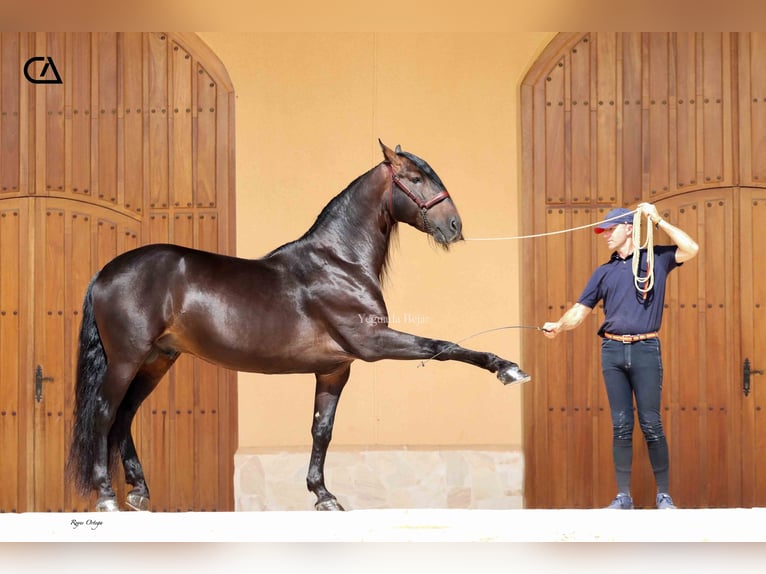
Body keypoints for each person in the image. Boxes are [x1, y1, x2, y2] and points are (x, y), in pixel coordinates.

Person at [542, 203, 699, 509]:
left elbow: (692, 248)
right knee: (621, 425)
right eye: (603, 230)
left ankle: (664, 496)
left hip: (645, 348)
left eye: (609, 229)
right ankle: (623, 497)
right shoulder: (604, 272)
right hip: (612, 350)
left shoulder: (657, 261)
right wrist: (558, 327)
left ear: (629, 228)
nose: (604, 235)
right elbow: (580, 310)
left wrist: (659, 221)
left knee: (651, 424)